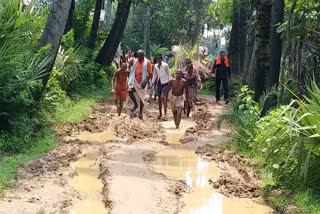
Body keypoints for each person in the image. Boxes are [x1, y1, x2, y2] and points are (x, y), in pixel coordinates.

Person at [128, 50, 153, 119]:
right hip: (135, 81)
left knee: (142, 98)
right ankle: (135, 104)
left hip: (143, 82)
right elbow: (130, 64)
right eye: (138, 56)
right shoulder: (135, 61)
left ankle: (141, 112)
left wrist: (145, 82)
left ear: (143, 55)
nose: (139, 57)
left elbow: (150, 74)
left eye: (140, 56)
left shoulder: (147, 62)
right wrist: (129, 66)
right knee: (130, 91)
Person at [153, 55, 172, 120]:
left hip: (165, 82)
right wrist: (153, 82)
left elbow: (169, 74)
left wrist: (170, 82)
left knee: (163, 96)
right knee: (159, 99)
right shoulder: (155, 66)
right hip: (159, 82)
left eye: (159, 60)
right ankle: (160, 113)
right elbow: (155, 74)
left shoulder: (165, 65)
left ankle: (165, 113)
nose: (158, 61)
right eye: (157, 60)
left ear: (161, 59)